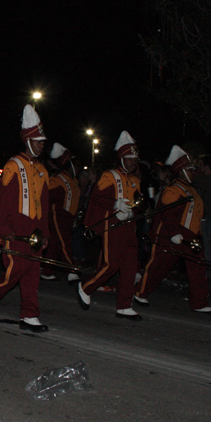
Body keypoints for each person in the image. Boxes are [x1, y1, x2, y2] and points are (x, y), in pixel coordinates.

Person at [0, 105, 50, 333]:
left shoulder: (43, 170)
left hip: (34, 231)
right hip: (15, 229)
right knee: (16, 269)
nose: (41, 144)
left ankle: (29, 315)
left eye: (43, 141)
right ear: (28, 141)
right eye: (38, 141)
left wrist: (45, 233)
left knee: (32, 273)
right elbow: (3, 202)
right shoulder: (12, 166)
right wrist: (3, 228)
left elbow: (44, 206)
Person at [135, 146, 211, 313]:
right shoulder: (173, 190)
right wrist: (174, 233)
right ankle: (139, 292)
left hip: (189, 235)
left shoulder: (190, 189)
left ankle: (199, 303)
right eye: (190, 170)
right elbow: (168, 215)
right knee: (158, 267)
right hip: (170, 236)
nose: (194, 172)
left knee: (197, 269)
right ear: (181, 171)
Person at [78, 131, 145, 321]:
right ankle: (86, 287)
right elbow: (96, 199)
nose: (133, 162)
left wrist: (134, 211)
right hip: (112, 226)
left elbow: (138, 204)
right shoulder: (109, 176)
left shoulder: (136, 180)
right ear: (121, 158)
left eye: (135, 159)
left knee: (130, 267)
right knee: (112, 265)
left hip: (129, 227)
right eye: (129, 158)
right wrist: (115, 204)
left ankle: (124, 305)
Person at [42, 143, 81, 284]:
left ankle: (47, 271)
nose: (79, 167)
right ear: (69, 165)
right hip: (57, 216)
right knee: (65, 243)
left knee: (55, 244)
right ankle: (71, 270)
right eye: (76, 165)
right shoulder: (57, 180)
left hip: (68, 217)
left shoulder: (73, 181)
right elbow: (46, 199)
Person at [192, 155, 211, 283]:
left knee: (205, 245)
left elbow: (207, 200)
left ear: (207, 166)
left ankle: (208, 274)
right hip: (207, 215)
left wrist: (203, 215)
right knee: (205, 244)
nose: (199, 167)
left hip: (205, 216)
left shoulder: (209, 180)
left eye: (201, 165)